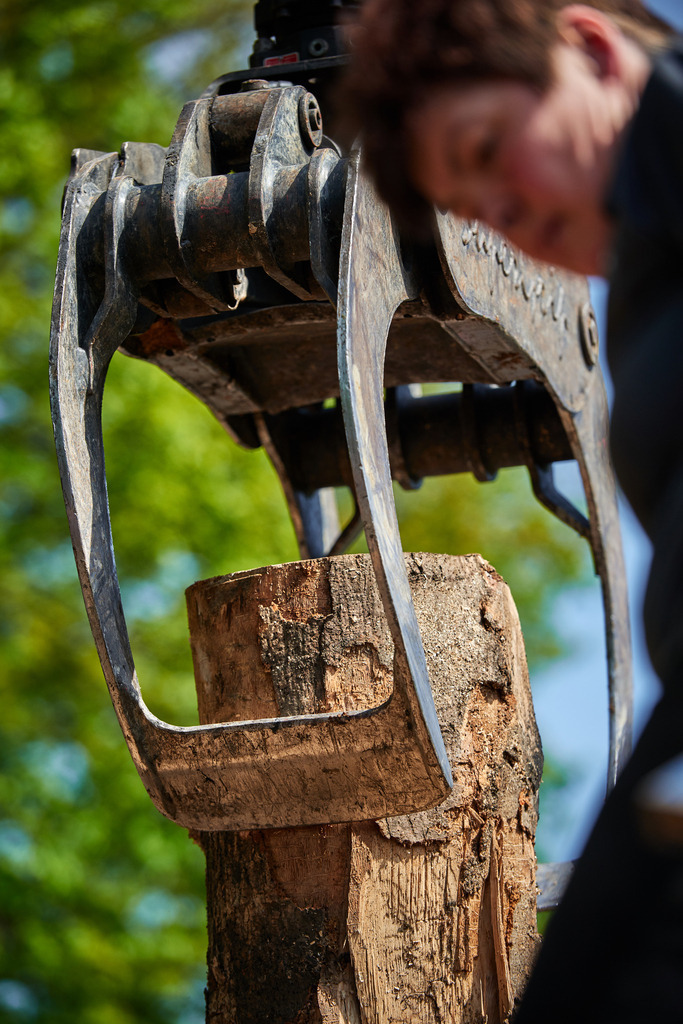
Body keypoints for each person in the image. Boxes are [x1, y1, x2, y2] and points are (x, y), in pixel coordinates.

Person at [343, 2, 683, 1020]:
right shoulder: (649, 271)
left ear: (585, 46)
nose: (506, 210)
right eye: (475, 208)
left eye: (487, 147)